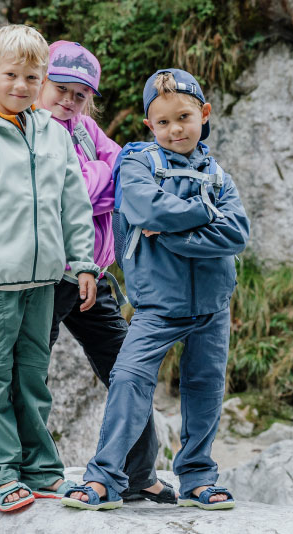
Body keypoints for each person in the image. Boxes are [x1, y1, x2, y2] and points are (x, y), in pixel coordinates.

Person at [61, 68, 250, 511]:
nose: (174, 129)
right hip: (156, 307)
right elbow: (145, 206)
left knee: (204, 387)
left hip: (212, 306)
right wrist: (205, 215)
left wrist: (167, 233)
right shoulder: (136, 162)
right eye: (162, 122)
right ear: (150, 124)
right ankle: (105, 478)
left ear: (204, 113)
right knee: (128, 378)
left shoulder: (218, 175)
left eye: (184, 117)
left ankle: (198, 478)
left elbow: (236, 233)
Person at [0, 24, 99, 512]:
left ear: (43, 78)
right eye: (11, 74)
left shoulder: (54, 134)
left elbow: (74, 206)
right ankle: (0, 471)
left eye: (33, 77)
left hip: (46, 281)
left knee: (33, 375)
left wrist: (85, 264)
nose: (21, 86)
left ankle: (41, 468)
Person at [36, 41, 176, 504]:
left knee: (126, 368)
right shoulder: (34, 131)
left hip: (92, 274)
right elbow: (68, 191)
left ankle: (139, 473)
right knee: (31, 369)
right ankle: (33, 469)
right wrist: (104, 181)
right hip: (50, 274)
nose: (69, 100)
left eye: (80, 94)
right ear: (40, 82)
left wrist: (103, 178)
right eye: (61, 88)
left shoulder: (84, 127)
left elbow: (126, 169)